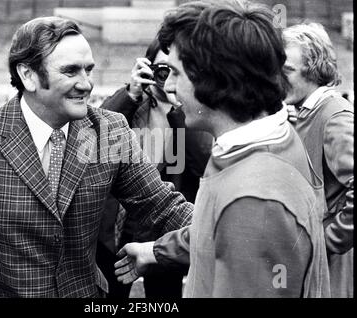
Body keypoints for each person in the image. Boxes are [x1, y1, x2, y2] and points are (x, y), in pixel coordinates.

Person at [0, 16, 193, 298]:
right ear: (28, 75)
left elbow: (163, 208)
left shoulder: (110, 131)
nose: (86, 84)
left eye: (89, 70)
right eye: (71, 71)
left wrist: (222, 220)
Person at [114, 0, 331, 297]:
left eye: (176, 72)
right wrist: (157, 250)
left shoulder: (255, 200)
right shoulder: (261, 143)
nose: (170, 86)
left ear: (214, 78)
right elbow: (220, 231)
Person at [97, 38, 212, 298]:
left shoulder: (195, 111)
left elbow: (203, 161)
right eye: (163, 68)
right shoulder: (131, 102)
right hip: (119, 226)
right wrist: (131, 93)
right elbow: (97, 136)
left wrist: (180, 105)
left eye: (177, 70)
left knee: (165, 299)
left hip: (165, 230)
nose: (168, 77)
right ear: (148, 67)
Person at [282, 23, 354, 298]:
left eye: (287, 70)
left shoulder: (334, 116)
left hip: (330, 272)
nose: (277, 79)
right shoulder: (302, 112)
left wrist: (326, 241)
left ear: (314, 69)